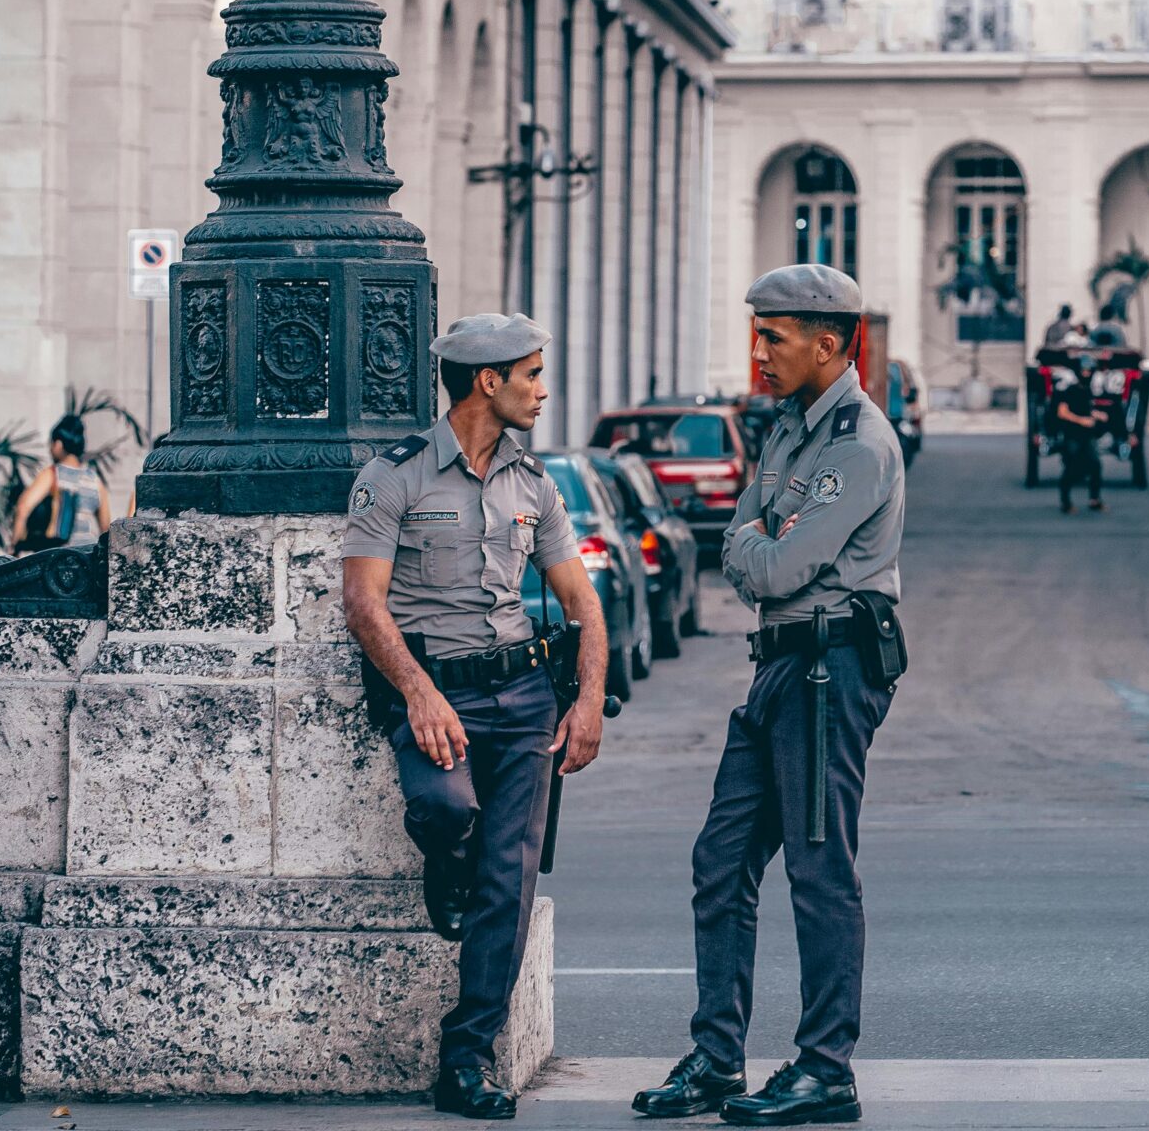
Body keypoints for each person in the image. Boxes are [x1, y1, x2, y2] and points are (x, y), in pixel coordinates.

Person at [634, 264, 904, 1129]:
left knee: (820, 872)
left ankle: (827, 1069)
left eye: (773, 337)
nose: (759, 353)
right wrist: (758, 542)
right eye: (758, 335)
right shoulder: (790, 428)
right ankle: (718, 1059)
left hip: (831, 668)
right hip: (779, 667)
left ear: (829, 344)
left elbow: (772, 562)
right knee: (720, 862)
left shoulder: (857, 442)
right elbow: (745, 545)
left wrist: (756, 543)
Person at [341, 313, 607, 1120]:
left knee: (509, 886)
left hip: (525, 695)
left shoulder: (535, 483)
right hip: (438, 691)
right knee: (444, 806)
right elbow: (362, 602)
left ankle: (468, 1058)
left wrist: (589, 697)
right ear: (486, 382)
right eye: (531, 373)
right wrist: (420, 692)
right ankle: (444, 858)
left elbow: (579, 601)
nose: (543, 388)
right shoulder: (396, 477)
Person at [11, 414, 113, 551]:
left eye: (51, 444)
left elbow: (23, 506)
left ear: (58, 444)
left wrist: (14, 547)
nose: (50, 449)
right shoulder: (95, 480)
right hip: (87, 557)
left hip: (58, 557)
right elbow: (106, 528)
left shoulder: (53, 474)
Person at [1052, 361, 1106, 514]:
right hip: (1072, 436)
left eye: (1090, 371)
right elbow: (1062, 412)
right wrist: (1081, 421)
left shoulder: (1087, 390)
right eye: (1084, 371)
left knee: (1095, 465)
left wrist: (1097, 415)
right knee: (1071, 469)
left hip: (1086, 437)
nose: (1087, 374)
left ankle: (1094, 500)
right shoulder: (1070, 390)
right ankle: (1066, 502)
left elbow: (1086, 410)